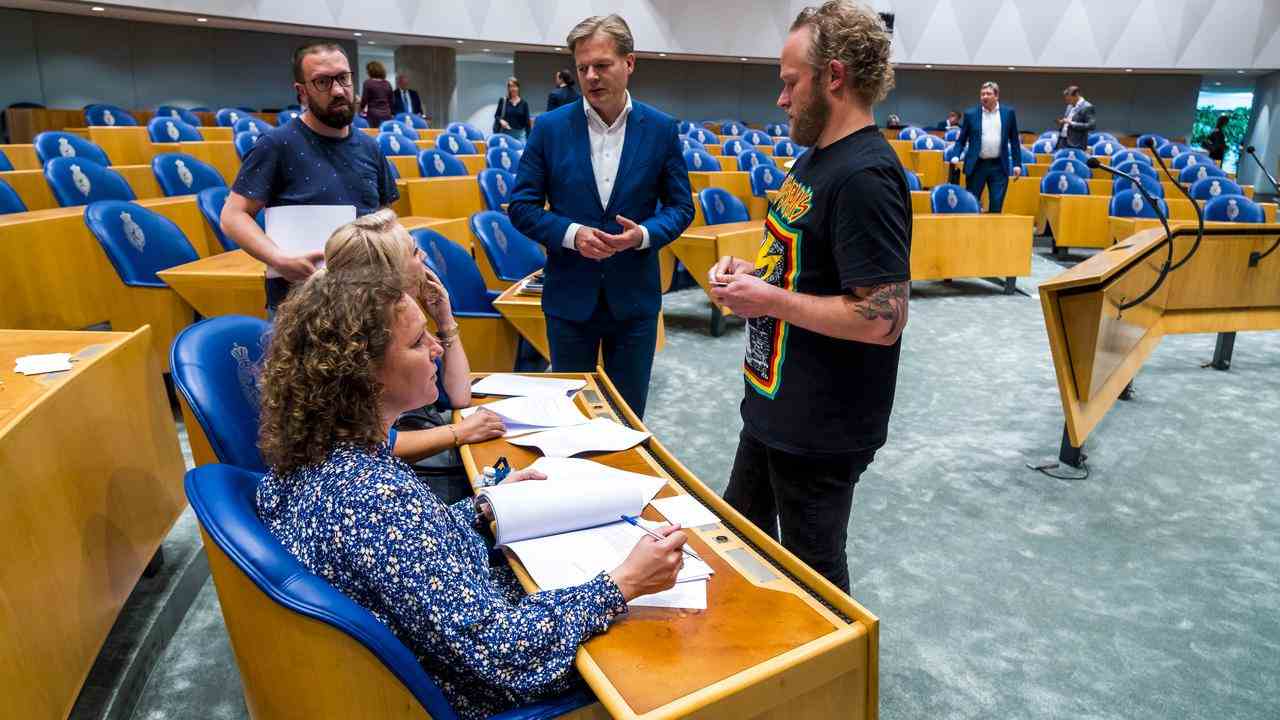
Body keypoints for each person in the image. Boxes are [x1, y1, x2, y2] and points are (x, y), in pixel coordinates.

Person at [255, 267, 689, 720]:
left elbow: (403, 551)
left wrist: (484, 508)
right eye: (418, 342)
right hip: (480, 685)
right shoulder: (374, 498)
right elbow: (500, 652)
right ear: (364, 373)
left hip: (441, 647)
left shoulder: (313, 453)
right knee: (678, 641)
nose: (436, 348)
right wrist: (624, 583)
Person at [708, 0, 910, 594]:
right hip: (777, 405)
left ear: (835, 77)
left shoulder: (866, 176)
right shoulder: (819, 159)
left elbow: (883, 318)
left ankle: (832, 685)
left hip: (822, 426)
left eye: (790, 82)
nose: (781, 98)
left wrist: (769, 300)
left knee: (812, 580)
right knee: (738, 540)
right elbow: (810, 270)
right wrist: (757, 275)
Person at [507, 14, 694, 419]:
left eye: (602, 65)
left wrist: (643, 234)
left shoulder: (661, 129)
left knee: (627, 418)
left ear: (630, 63)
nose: (591, 76)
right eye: (582, 68)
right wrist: (572, 234)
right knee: (570, 418)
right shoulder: (550, 128)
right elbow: (521, 206)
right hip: (570, 299)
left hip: (635, 301)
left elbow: (681, 207)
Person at [322, 209, 506, 477]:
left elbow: (459, 396)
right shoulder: (353, 334)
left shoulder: (405, 314)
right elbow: (362, 444)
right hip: (392, 474)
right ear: (390, 271)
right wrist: (458, 432)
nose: (424, 256)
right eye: (414, 251)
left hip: (423, 435)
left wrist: (445, 320)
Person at [220, 40, 399, 312]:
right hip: (301, 307)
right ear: (301, 92)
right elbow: (233, 216)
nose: (338, 90)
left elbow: (384, 216)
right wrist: (279, 259)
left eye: (343, 78)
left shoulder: (369, 146)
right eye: (323, 82)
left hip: (366, 301)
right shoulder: (276, 144)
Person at [950, 81, 1023, 213]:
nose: (984, 96)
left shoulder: (1008, 113)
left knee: (996, 205)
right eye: (982, 94)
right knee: (971, 204)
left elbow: (1014, 140)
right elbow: (961, 140)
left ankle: (993, 233)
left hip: (999, 166)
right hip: (977, 165)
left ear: (996, 96)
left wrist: (1017, 164)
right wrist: (956, 155)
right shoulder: (971, 114)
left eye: (988, 94)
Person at [1057, 85, 1095, 151]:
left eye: (1069, 99)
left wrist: (1072, 123)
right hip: (1062, 141)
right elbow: (1067, 121)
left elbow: (1091, 126)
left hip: (1076, 144)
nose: (1067, 101)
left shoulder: (1087, 107)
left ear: (1076, 95)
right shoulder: (1069, 106)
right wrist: (1063, 122)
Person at [359, 60, 394, 127]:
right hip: (387, 114)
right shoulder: (387, 83)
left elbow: (364, 100)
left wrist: (359, 111)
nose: (367, 72)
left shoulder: (368, 83)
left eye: (368, 70)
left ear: (371, 71)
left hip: (373, 115)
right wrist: (391, 113)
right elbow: (392, 101)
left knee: (373, 134)